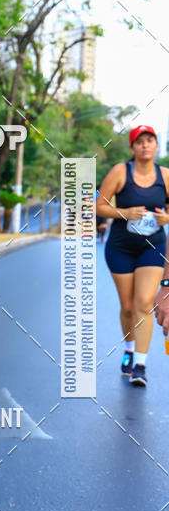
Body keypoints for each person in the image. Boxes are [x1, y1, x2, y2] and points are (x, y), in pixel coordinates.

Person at [96, 125, 169, 386]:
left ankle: (140, 365)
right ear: (132, 148)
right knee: (127, 307)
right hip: (121, 247)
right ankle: (129, 348)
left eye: (150, 140)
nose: (145, 145)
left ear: (156, 146)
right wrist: (124, 213)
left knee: (144, 303)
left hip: (153, 247)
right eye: (140, 142)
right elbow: (100, 206)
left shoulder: (165, 176)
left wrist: (166, 218)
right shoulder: (120, 172)